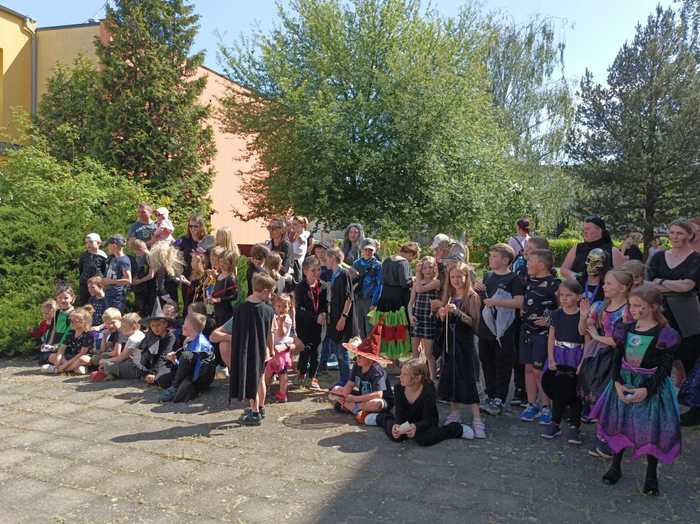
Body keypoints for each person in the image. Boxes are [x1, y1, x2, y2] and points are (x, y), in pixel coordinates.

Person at [591, 284, 681, 496]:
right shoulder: (625, 329)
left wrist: (646, 390)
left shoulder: (665, 335)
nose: (634, 310)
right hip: (624, 383)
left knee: (650, 430)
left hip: (651, 387)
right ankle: (615, 467)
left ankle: (651, 475)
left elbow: (665, 369)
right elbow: (617, 359)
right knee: (620, 423)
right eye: (631, 305)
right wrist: (617, 382)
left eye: (640, 306)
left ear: (654, 307)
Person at [578, 269, 634, 459]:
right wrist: (583, 316)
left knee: (613, 398)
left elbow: (621, 340)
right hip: (600, 356)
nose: (604, 286)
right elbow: (583, 331)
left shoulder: (629, 310)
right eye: (605, 283)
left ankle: (611, 440)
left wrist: (596, 336)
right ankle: (603, 437)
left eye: (609, 283)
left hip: (618, 358)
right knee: (600, 396)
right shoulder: (600, 306)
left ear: (623, 288)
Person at [435, 262, 485, 438]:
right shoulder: (448, 295)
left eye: (459, 277)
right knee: (451, 377)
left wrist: (457, 313)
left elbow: (474, 323)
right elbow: (442, 323)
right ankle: (455, 412)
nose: (456, 280)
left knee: (469, 379)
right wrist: (441, 315)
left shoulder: (472, 296)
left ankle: (477, 418)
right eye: (453, 277)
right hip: (450, 344)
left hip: (466, 344)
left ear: (466, 277)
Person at [372, 358, 475, 444]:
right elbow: (399, 413)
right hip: (407, 420)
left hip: (426, 422)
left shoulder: (428, 390)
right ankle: (380, 418)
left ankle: (456, 428)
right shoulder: (398, 388)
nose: (401, 377)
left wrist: (416, 427)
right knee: (396, 436)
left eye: (405, 374)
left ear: (417, 378)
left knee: (423, 439)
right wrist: (397, 426)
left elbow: (428, 419)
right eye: (401, 373)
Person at [646, 219, 700, 377]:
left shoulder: (696, 258)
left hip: (686, 315)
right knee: (660, 357)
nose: (675, 237)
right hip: (660, 311)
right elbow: (648, 284)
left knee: (689, 357)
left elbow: (687, 286)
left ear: (690, 235)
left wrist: (661, 281)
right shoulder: (658, 257)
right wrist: (675, 284)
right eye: (672, 232)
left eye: (680, 233)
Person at [477, 244, 524, 417]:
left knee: (502, 363)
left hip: (504, 331)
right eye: (490, 256)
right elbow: (482, 299)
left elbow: (519, 302)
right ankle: (490, 395)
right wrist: (477, 289)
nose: (490, 259)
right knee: (486, 362)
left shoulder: (514, 279)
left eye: (494, 256)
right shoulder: (487, 276)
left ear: (505, 260)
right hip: (485, 328)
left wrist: (497, 302)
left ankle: (499, 398)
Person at [540, 279, 585, 444]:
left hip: (576, 355)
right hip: (559, 355)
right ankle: (555, 423)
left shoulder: (583, 315)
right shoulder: (556, 314)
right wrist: (551, 358)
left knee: (575, 393)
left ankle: (575, 426)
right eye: (562, 295)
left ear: (578, 296)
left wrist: (582, 363)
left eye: (569, 295)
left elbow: (587, 340)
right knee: (558, 391)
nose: (564, 298)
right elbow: (551, 338)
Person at [228, 273, 276, 426]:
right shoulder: (268, 310)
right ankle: (261, 408)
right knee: (260, 379)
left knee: (251, 382)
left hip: (247, 351)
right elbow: (270, 333)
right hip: (262, 351)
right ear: (264, 291)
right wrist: (271, 349)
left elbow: (237, 333)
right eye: (271, 292)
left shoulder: (240, 309)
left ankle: (254, 412)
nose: (271, 296)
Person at [518, 249, 559, 423]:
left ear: (541, 265)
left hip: (543, 335)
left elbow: (563, 308)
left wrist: (550, 321)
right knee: (528, 369)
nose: (527, 264)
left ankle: (546, 406)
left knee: (539, 371)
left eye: (530, 261)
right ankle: (531, 404)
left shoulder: (554, 284)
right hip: (526, 332)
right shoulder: (528, 281)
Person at [330, 320, 394, 423]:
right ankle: (359, 411)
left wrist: (354, 399)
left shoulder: (377, 371)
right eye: (357, 355)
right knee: (336, 390)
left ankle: (354, 408)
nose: (357, 358)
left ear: (370, 359)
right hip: (362, 397)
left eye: (360, 356)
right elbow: (350, 384)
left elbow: (378, 394)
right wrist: (343, 394)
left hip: (380, 399)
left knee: (377, 403)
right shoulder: (357, 365)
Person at [372, 243, 417, 361]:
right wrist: (414, 280)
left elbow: (381, 279)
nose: (411, 260)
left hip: (385, 297)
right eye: (412, 257)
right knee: (400, 329)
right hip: (399, 299)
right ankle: (398, 360)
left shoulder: (387, 260)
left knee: (388, 328)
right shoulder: (403, 263)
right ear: (410, 253)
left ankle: (391, 359)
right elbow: (405, 283)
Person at [158, 312, 217, 402]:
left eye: (184, 324)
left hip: (199, 379)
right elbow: (185, 367)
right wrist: (174, 360)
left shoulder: (201, 344)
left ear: (191, 327)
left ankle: (175, 387)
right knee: (162, 380)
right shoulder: (190, 340)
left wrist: (185, 382)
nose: (182, 326)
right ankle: (178, 386)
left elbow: (198, 370)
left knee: (186, 355)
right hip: (191, 373)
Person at [295, 256, 327, 389]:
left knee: (317, 352)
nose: (316, 273)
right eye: (313, 270)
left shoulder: (323, 286)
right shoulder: (300, 287)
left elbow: (325, 304)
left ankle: (312, 376)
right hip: (304, 324)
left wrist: (324, 313)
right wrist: (315, 317)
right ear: (305, 271)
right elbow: (299, 309)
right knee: (305, 350)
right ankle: (302, 372)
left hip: (319, 326)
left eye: (318, 270)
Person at [324, 247, 354, 386]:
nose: (325, 261)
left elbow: (349, 298)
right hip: (334, 315)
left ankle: (346, 380)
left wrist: (343, 317)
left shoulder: (343, 274)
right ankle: (343, 377)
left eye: (327, 258)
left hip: (342, 317)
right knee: (335, 347)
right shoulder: (334, 274)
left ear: (333, 258)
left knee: (342, 349)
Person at [560, 215, 624, 279]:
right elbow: (563, 269)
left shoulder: (613, 251)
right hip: (577, 284)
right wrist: (579, 278)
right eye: (584, 229)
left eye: (588, 229)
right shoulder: (577, 247)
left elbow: (621, 276)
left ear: (599, 230)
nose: (585, 232)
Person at [408, 256, 441, 381]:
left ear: (434, 268)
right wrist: (410, 315)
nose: (427, 270)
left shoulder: (436, 282)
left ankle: (432, 379)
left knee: (428, 353)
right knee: (415, 351)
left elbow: (420, 289)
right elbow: (411, 302)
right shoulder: (417, 282)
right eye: (424, 268)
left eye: (430, 267)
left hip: (429, 319)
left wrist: (417, 274)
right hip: (417, 317)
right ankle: (415, 376)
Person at [44, 306, 95, 375]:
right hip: (71, 356)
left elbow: (82, 353)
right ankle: (73, 368)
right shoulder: (71, 332)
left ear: (84, 322)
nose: (71, 323)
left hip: (83, 356)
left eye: (75, 321)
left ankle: (60, 369)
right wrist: (58, 361)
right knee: (52, 356)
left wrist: (65, 365)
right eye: (70, 321)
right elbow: (61, 349)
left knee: (83, 359)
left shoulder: (88, 334)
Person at [264, 294, 297, 403]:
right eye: (279, 306)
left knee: (282, 373)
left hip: (281, 351)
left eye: (284, 306)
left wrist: (281, 322)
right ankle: (264, 389)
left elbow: (282, 334)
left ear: (289, 307)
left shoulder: (287, 319)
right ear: (274, 306)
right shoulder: (274, 317)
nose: (281, 309)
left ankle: (282, 394)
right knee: (268, 371)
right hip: (274, 349)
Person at [177, 215, 210, 313]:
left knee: (198, 305)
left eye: (196, 226)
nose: (193, 229)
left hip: (201, 276)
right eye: (190, 226)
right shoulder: (183, 239)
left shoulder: (207, 240)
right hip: (187, 275)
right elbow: (172, 246)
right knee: (187, 304)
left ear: (201, 226)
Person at [97, 313, 146, 381]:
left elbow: (121, 358)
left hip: (136, 369)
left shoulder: (133, 339)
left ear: (134, 327)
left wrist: (105, 361)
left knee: (105, 365)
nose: (121, 328)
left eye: (124, 327)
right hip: (136, 364)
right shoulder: (140, 334)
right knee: (109, 363)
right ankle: (112, 374)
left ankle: (111, 373)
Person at [140, 302, 178, 388]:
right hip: (153, 363)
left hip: (167, 363)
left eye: (158, 325)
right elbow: (143, 349)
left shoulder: (170, 337)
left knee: (162, 378)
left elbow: (163, 356)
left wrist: (153, 372)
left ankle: (153, 377)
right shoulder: (151, 335)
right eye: (153, 326)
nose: (155, 328)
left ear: (165, 324)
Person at [352, 238, 382, 339]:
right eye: (366, 249)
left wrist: (375, 303)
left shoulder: (378, 265)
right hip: (358, 298)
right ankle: (362, 347)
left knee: (370, 328)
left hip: (370, 299)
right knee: (360, 327)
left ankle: (370, 348)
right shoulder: (356, 264)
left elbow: (379, 285)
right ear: (361, 250)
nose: (368, 252)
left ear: (374, 251)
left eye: (371, 250)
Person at [39, 285, 76, 366]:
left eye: (66, 298)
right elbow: (53, 329)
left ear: (72, 298)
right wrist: (49, 344)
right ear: (56, 299)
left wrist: (60, 346)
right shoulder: (57, 312)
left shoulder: (73, 314)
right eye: (60, 298)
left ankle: (67, 365)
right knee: (44, 356)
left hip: (67, 344)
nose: (63, 300)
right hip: (56, 341)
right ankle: (66, 364)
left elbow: (69, 332)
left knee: (52, 357)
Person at [103, 235, 132, 312]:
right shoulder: (113, 258)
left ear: (114, 245)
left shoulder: (124, 260)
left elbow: (128, 280)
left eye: (108, 245)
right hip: (109, 294)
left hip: (117, 296)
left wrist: (110, 281)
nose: (107, 248)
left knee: (115, 316)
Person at [209, 249, 238, 328]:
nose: (222, 264)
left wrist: (219, 299)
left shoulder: (231, 278)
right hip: (216, 310)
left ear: (231, 264)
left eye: (225, 263)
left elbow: (234, 296)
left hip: (225, 312)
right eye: (220, 262)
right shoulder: (219, 275)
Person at [89, 307, 124, 372]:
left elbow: (117, 353)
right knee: (96, 357)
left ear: (120, 320)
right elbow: (103, 349)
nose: (110, 325)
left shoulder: (120, 332)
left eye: (113, 322)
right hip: (116, 358)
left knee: (97, 359)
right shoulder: (114, 332)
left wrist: (105, 354)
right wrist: (104, 336)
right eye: (108, 323)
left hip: (122, 358)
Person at [128, 239, 157, 318]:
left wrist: (139, 281)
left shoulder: (150, 256)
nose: (136, 254)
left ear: (140, 249)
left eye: (136, 252)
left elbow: (151, 275)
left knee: (150, 306)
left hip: (153, 285)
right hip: (148, 285)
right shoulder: (146, 256)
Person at [77, 233, 108, 306]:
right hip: (85, 285)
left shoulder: (103, 256)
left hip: (97, 285)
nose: (88, 244)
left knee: (97, 302)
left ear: (98, 243)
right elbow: (81, 269)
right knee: (84, 303)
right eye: (86, 242)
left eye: (91, 242)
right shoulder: (83, 255)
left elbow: (105, 270)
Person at [289, 216, 310, 283]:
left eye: (295, 224)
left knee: (297, 281)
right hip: (291, 261)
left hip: (298, 263)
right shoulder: (293, 234)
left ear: (302, 225)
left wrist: (296, 233)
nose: (293, 226)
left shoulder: (305, 233)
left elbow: (301, 241)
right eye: (292, 224)